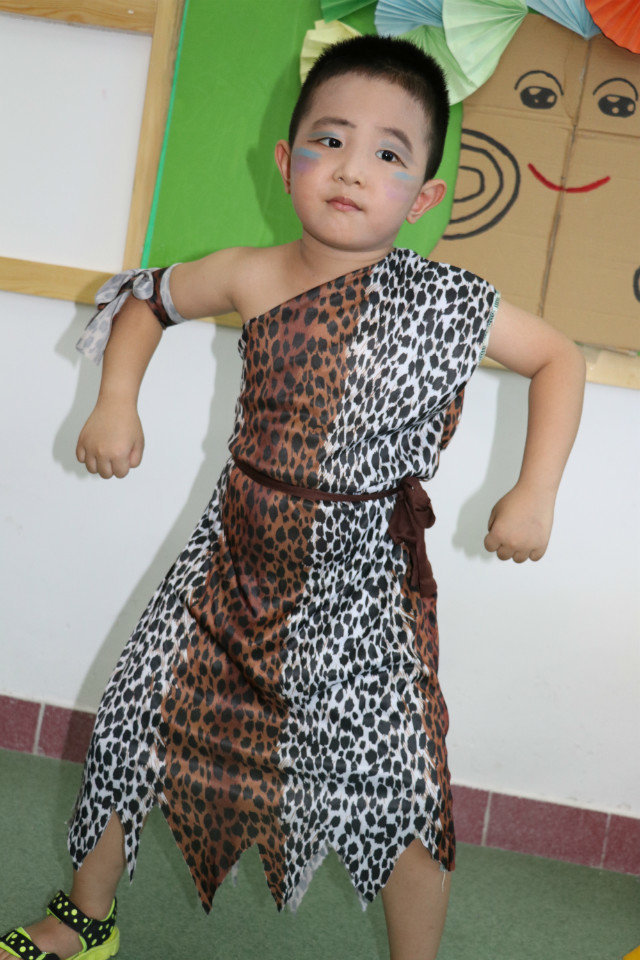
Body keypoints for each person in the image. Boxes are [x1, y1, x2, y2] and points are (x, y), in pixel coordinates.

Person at [0, 34, 585, 960]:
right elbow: (146, 299)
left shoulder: (446, 300)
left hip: (365, 592)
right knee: (135, 725)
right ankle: (86, 919)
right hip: (230, 564)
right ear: (286, 161)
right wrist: (116, 401)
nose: (352, 169)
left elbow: (559, 357)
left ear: (423, 197)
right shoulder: (250, 271)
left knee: (403, 790)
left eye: (388, 153)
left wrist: (535, 491)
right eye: (330, 140)